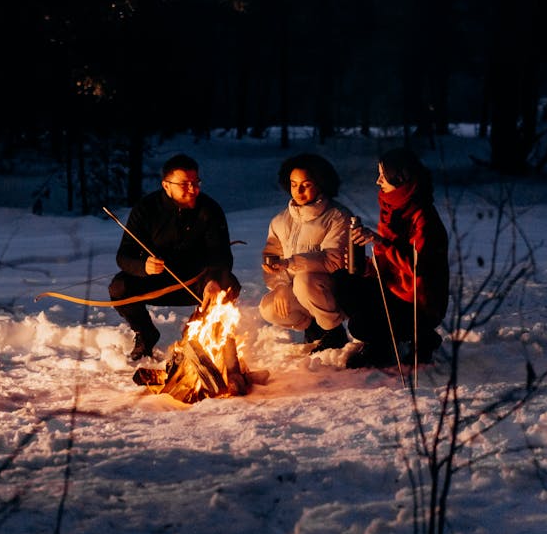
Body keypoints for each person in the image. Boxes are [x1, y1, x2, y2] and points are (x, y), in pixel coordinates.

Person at [109, 154, 241, 361]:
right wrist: (143, 266)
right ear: (166, 185)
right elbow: (124, 256)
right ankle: (146, 334)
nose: (193, 189)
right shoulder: (146, 209)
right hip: (156, 279)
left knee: (228, 286)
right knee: (119, 287)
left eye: (195, 182)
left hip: (198, 280)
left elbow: (221, 255)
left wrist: (213, 280)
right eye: (184, 184)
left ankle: (197, 335)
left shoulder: (209, 209)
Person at [343, 147, 449, 369]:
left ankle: (420, 337)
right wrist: (366, 268)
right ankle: (381, 343)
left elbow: (419, 267)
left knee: (362, 324)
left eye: (383, 175)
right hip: (393, 290)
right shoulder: (392, 208)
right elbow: (388, 260)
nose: (377, 181)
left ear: (399, 177)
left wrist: (381, 242)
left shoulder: (423, 218)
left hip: (418, 303)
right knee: (345, 285)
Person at [259, 153, 351, 353]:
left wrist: (291, 263)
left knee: (304, 282)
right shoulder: (280, 221)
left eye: (306, 185)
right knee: (268, 306)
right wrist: (281, 285)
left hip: (333, 289)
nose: (298, 191)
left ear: (320, 183)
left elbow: (332, 260)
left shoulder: (337, 216)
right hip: (298, 289)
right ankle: (313, 329)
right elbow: (272, 257)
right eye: (293, 184)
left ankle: (333, 332)